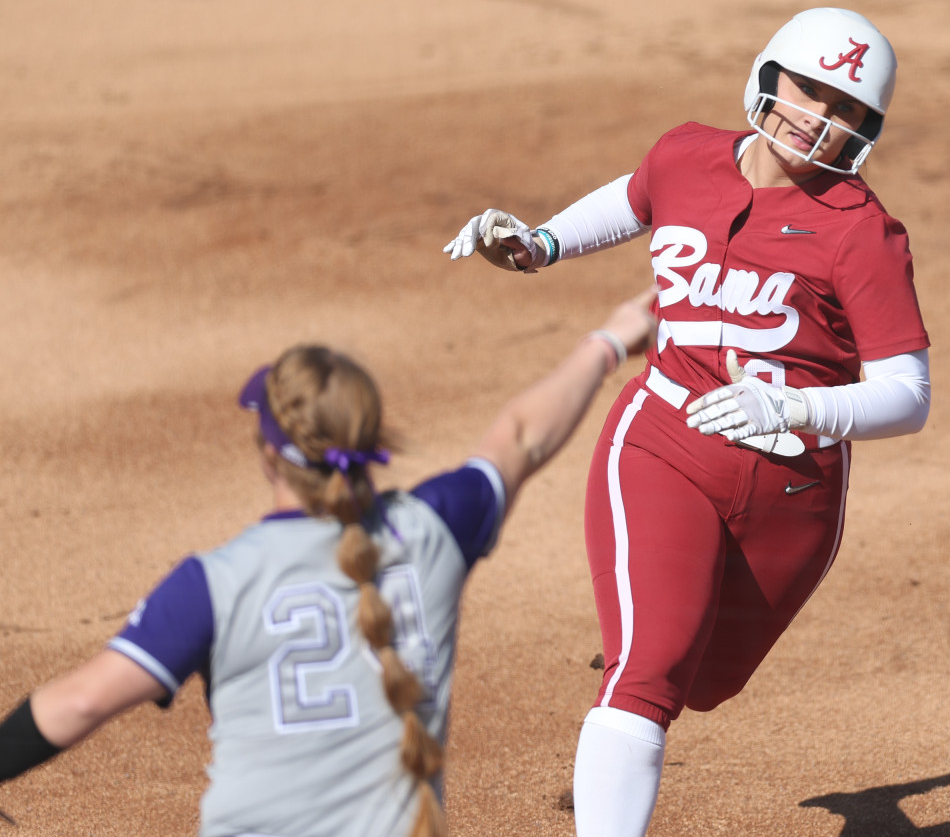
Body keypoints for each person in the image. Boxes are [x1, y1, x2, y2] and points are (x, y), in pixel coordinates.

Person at [442, 7, 932, 836]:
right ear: (768, 78)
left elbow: (907, 396)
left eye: (845, 108)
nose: (818, 116)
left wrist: (796, 405)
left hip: (792, 487)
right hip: (661, 442)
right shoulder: (685, 154)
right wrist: (540, 243)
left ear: (867, 128)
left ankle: (652, 645)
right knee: (648, 678)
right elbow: (635, 199)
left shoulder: (862, 234)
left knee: (708, 682)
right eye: (808, 90)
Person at [0, 290, 656, 837]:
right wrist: (608, 340)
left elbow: (81, 703)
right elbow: (521, 436)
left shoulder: (215, 584)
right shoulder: (435, 528)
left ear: (268, 452)